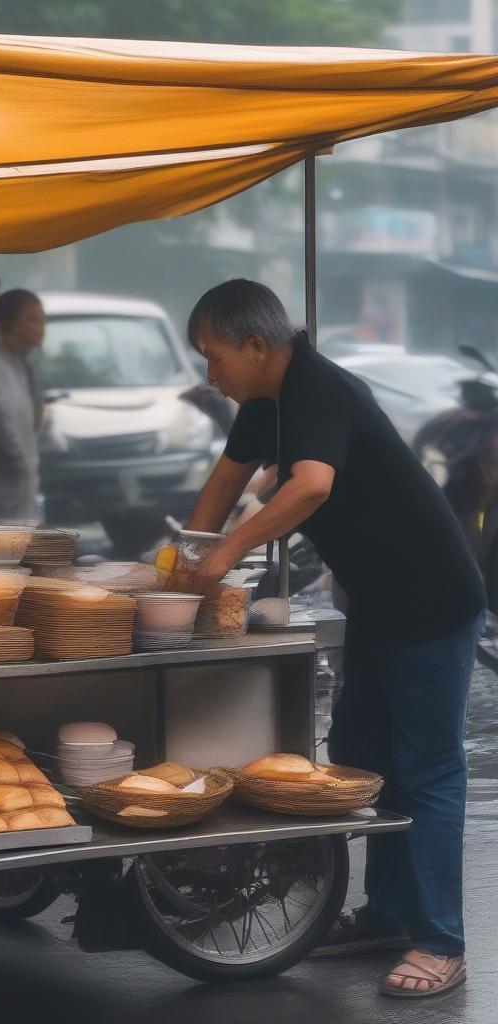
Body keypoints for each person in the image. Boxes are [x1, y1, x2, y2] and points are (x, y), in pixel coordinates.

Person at [183, 279, 486, 999]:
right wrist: (184, 557)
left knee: (430, 769)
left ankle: (443, 942)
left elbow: (310, 486)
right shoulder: (264, 403)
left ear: (258, 346)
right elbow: (225, 484)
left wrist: (223, 556)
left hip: (433, 599)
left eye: (214, 356)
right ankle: (385, 914)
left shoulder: (317, 387)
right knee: (362, 756)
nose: (209, 373)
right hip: (377, 602)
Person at [0, 289, 45, 520]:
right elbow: (6, 439)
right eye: (31, 319)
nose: (41, 327)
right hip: (3, 498)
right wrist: (21, 464)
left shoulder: (24, 364)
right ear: (10, 325)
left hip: (25, 491)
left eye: (42, 319)